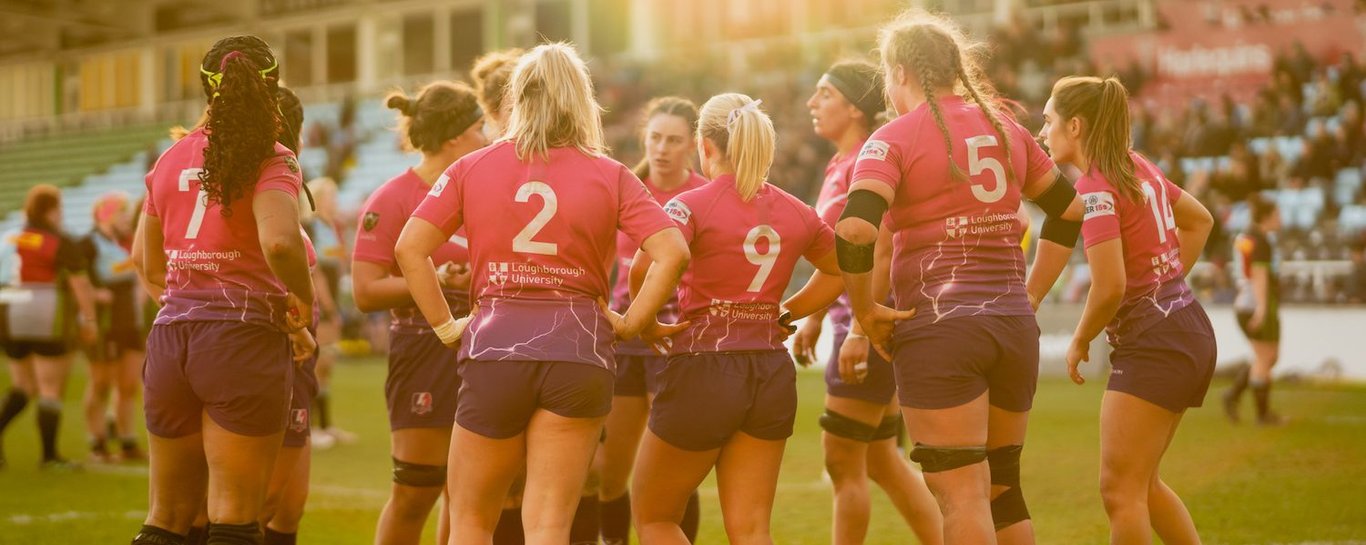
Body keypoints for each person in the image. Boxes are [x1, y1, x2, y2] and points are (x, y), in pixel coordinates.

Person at [396, 42, 689, 545]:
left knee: (470, 523)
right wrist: (630, 322)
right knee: (550, 526)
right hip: (579, 348)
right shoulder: (611, 173)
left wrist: (447, 327)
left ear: (520, 98)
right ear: (580, 101)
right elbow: (673, 252)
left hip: (496, 345)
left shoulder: (472, 167)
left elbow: (409, 248)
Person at [834, 11, 1084, 545]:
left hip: (941, 329)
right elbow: (1069, 211)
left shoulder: (892, 139)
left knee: (963, 495)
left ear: (899, 72)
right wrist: (1032, 293)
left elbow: (855, 230)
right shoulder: (1007, 129)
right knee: (1003, 491)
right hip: (1013, 325)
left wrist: (864, 312)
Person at [629, 93, 844, 545]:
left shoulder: (689, 205)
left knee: (654, 518)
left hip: (704, 367)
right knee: (750, 530)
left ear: (705, 146)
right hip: (768, 368)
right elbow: (841, 269)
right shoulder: (796, 210)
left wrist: (643, 321)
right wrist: (788, 313)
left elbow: (643, 267)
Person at [129, 35, 316, 545]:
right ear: (273, 86)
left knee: (165, 517)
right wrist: (303, 301)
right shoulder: (272, 157)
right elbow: (279, 243)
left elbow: (147, 264)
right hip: (241, 339)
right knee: (234, 518)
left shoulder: (169, 159)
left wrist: (187, 306)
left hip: (171, 339)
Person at [1045, 75, 1216, 545]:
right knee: (1143, 486)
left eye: (1048, 120)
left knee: (1119, 491)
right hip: (1186, 326)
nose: (1042, 132)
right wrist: (1166, 279)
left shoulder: (1096, 186)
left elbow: (1110, 286)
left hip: (1155, 341)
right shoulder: (1137, 166)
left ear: (1074, 126)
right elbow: (1200, 221)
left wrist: (1079, 339)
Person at [798, 60, 943, 545]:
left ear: (855, 107)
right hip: (851, 321)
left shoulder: (869, 161)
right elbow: (834, 256)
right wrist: (815, 318)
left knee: (843, 462)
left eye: (824, 93)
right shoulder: (841, 163)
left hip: (865, 324)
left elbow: (878, 248)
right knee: (881, 459)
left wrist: (859, 328)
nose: (812, 103)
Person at [352, 80, 487, 545]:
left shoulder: (484, 190)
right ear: (454, 137)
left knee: (469, 494)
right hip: (423, 350)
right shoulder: (393, 199)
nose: (487, 137)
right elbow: (365, 291)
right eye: (479, 128)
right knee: (416, 491)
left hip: (488, 347)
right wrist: (437, 280)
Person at [596, 96, 708, 545]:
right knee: (608, 473)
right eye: (655, 137)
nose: (662, 148)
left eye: (674, 140)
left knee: (675, 477)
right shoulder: (623, 190)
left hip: (675, 343)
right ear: (644, 137)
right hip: (624, 341)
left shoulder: (703, 195)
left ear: (693, 146)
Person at [0, 185, 99, 470]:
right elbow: (80, 283)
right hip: (44, 313)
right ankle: (49, 456)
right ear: (51, 210)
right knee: (49, 387)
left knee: (22, 386)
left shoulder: (10, 237)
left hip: (8, 312)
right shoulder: (57, 241)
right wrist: (89, 319)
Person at [80, 190, 148, 463]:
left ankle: (127, 441)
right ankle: (97, 442)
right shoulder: (87, 243)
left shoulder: (125, 243)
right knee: (100, 383)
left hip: (128, 321)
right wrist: (95, 296)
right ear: (106, 214)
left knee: (128, 384)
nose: (126, 219)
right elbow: (76, 282)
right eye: (121, 213)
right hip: (105, 322)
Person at [300, 176, 354, 447]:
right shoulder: (310, 227)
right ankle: (308, 426)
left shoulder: (330, 227)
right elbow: (316, 272)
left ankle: (325, 424)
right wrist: (329, 307)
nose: (335, 202)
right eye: (331, 197)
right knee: (317, 364)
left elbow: (338, 264)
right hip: (320, 304)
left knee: (327, 365)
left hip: (332, 300)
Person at [1224, 195, 1284, 425]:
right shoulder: (1260, 240)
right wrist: (1261, 309)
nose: (1280, 219)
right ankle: (1262, 415)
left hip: (1250, 302)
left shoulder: (1246, 236)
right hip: (1254, 304)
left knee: (1269, 356)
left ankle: (1233, 394)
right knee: (1264, 357)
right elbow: (1259, 275)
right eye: (1277, 214)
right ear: (1266, 216)